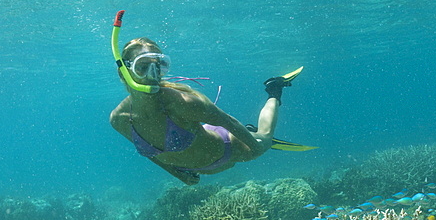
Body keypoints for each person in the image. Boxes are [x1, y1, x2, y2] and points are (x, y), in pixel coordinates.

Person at [109, 25, 301, 185]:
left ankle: (274, 90)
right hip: (200, 165)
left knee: (264, 138)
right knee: (252, 137)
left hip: (229, 150)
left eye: (158, 66)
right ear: (124, 72)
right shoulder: (119, 119)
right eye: (143, 67)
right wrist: (177, 174)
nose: (153, 74)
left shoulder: (182, 103)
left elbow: (228, 121)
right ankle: (250, 131)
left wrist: (256, 147)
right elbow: (152, 155)